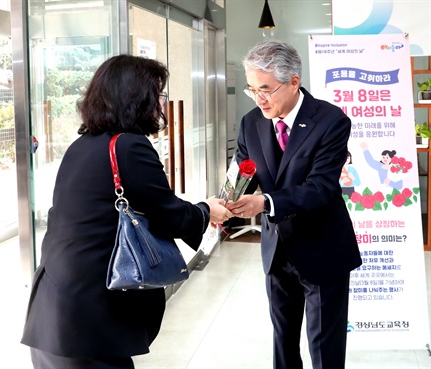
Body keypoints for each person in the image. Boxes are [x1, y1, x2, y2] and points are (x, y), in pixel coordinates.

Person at [20, 54, 231, 369]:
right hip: (91, 314)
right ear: (139, 99)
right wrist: (207, 210)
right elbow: (168, 214)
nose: (162, 104)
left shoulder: (82, 145)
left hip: (56, 305)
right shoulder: (128, 146)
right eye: (158, 95)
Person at [226, 39, 362, 369]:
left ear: (294, 82)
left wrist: (265, 201)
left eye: (266, 89)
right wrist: (226, 201)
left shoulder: (331, 121)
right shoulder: (251, 123)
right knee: (283, 342)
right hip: (277, 249)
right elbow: (243, 170)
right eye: (251, 89)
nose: (259, 99)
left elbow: (319, 188)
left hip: (322, 248)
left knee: (324, 345)